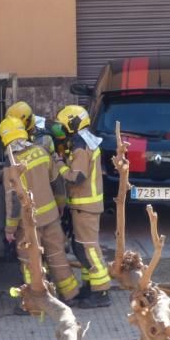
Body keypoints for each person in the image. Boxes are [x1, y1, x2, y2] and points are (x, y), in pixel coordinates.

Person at [0, 115, 80, 311]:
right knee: (58, 255)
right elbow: (57, 183)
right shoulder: (42, 152)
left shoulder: (11, 166)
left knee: (30, 262)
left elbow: (13, 202)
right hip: (51, 217)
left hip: (28, 225)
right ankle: (71, 296)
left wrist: (10, 229)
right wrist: (60, 206)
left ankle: (35, 303)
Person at [53, 105, 112, 308]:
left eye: (62, 126)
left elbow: (77, 176)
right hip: (83, 205)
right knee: (80, 248)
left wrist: (59, 163)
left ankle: (102, 291)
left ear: (72, 123)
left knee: (89, 248)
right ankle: (90, 285)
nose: (60, 130)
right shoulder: (84, 140)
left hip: (86, 206)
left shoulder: (80, 144)